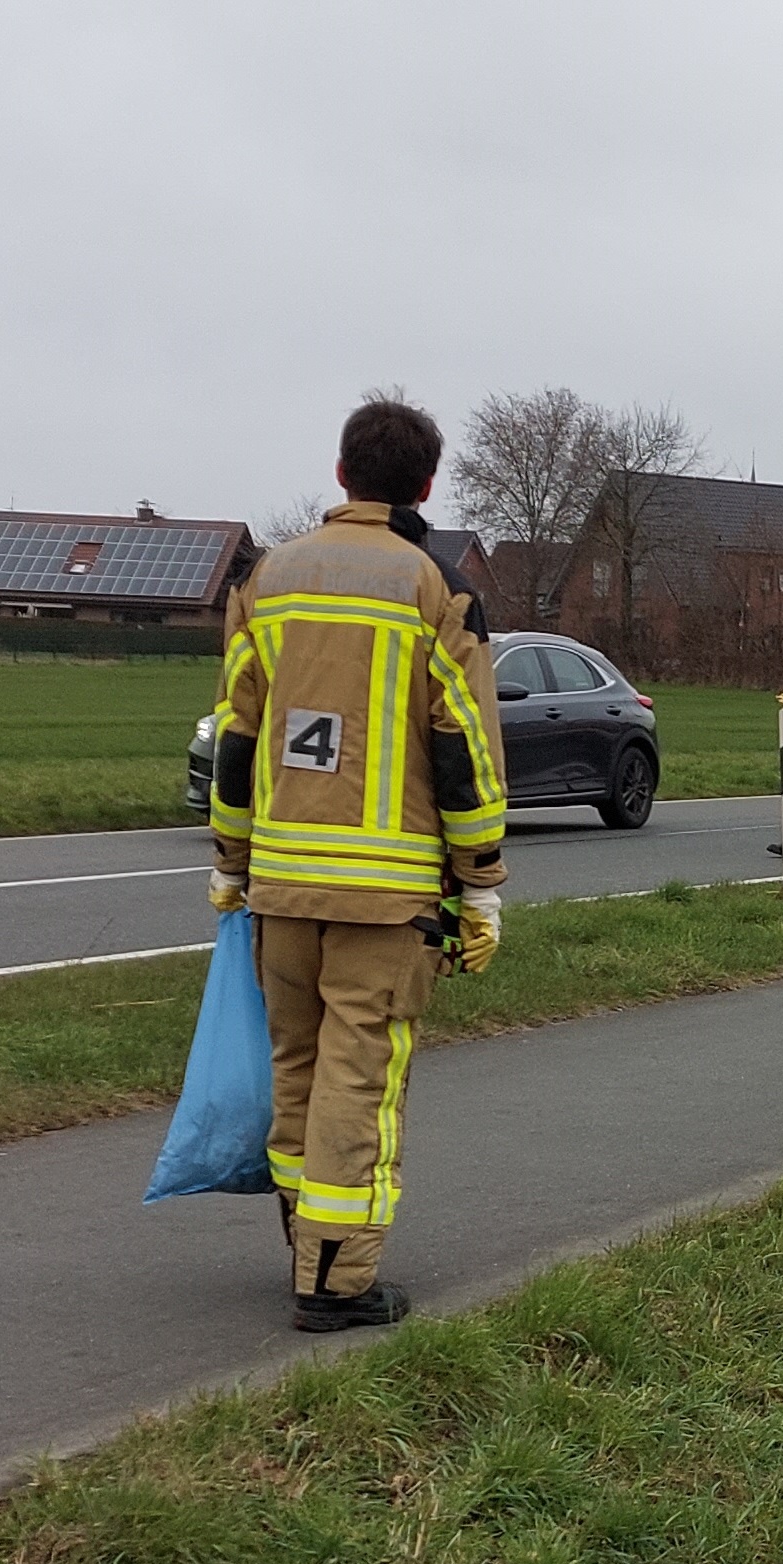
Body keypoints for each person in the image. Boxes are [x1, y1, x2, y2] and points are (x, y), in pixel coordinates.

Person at [210, 396, 510, 1331]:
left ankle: (306, 1239)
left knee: (297, 1065)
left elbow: (237, 736)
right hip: (388, 896)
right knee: (360, 1078)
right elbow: (463, 749)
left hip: (282, 884)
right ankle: (336, 1281)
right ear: (423, 486)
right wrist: (483, 886)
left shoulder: (267, 581)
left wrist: (231, 863)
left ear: (342, 475)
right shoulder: (435, 588)